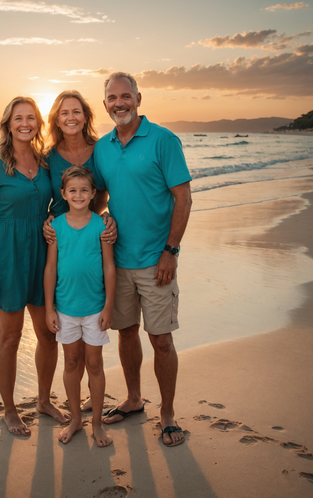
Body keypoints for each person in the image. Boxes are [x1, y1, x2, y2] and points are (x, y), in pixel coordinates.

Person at [94, 72, 192, 448]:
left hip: (156, 260)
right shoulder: (102, 148)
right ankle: (134, 399)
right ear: (105, 104)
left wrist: (171, 251)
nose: (119, 103)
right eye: (112, 98)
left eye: (125, 96)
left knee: (161, 339)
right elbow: (100, 197)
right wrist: (76, 222)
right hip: (117, 261)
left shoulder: (164, 140)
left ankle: (167, 414)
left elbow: (182, 199)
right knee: (126, 332)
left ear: (138, 98)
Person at [0, 96, 70, 436]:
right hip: (6, 258)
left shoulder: (45, 164)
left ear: (38, 123)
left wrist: (54, 221)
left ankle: (43, 401)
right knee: (10, 338)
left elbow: (63, 202)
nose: (25, 123)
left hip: (41, 256)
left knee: (48, 333)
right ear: (8, 124)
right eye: (18, 118)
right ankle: (10, 411)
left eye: (31, 117)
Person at [45, 90, 117, 412]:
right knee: (71, 357)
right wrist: (48, 220)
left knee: (94, 358)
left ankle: (97, 410)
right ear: (57, 120)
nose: (71, 117)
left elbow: (111, 187)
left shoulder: (99, 150)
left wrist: (105, 217)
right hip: (59, 237)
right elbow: (42, 194)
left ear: (86, 116)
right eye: (64, 113)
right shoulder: (49, 156)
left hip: (92, 231)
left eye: (76, 111)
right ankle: (72, 410)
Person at [44, 166, 115, 447]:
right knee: (71, 362)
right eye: (72, 190)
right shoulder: (56, 226)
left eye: (84, 189)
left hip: (96, 307)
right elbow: (50, 269)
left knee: (95, 363)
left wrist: (109, 306)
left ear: (93, 193)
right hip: (65, 309)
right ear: (63, 194)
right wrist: (49, 308)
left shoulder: (101, 225)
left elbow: (110, 266)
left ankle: (96, 422)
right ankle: (76, 419)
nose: (78, 194)